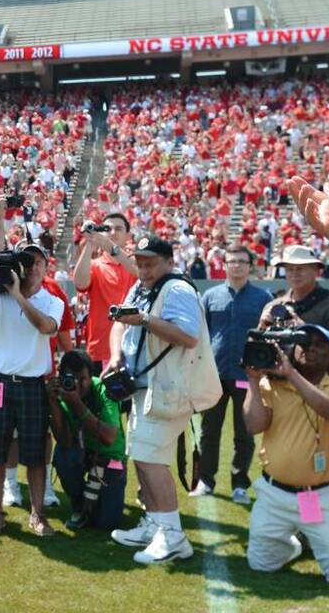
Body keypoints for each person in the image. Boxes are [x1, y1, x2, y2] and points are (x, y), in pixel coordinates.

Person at [242, 326, 329, 585]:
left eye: (319, 345)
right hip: (274, 494)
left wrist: (291, 375)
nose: (310, 348)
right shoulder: (271, 385)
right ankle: (297, 544)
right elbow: (254, 425)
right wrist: (252, 382)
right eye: (304, 342)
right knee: (261, 564)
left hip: (318, 496)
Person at [109, 236, 203, 565]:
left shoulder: (176, 289)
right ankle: (155, 524)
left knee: (151, 460)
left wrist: (146, 319)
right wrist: (115, 356)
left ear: (168, 261)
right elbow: (119, 323)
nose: (144, 269)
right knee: (141, 456)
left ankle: (173, 535)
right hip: (142, 386)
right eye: (141, 263)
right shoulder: (143, 287)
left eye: (150, 263)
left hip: (165, 388)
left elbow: (188, 336)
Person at [0, 244, 63, 537]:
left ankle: (38, 514)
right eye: (29, 261)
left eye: (39, 261)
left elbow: (46, 328)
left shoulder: (52, 301)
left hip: (31, 384)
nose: (34, 266)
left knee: (36, 454)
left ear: (47, 268)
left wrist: (17, 295)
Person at [194, 245, 273, 504]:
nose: (236, 265)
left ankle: (240, 484)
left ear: (250, 266)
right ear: (224, 265)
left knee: (245, 432)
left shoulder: (263, 298)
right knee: (209, 431)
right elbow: (200, 334)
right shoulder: (210, 296)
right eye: (231, 261)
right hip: (214, 373)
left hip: (247, 374)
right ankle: (206, 480)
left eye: (241, 261)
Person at [47, 349, 127, 530]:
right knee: (63, 456)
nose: (76, 384)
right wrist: (53, 404)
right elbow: (64, 442)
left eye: (82, 378)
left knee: (105, 523)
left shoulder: (104, 390)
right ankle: (80, 503)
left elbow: (109, 437)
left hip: (109, 458)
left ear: (92, 377)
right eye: (70, 377)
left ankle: (91, 503)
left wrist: (77, 405)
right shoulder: (61, 394)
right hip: (81, 453)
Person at [261, 245, 329, 377]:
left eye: (300, 268)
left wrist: (306, 331)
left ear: (315, 270)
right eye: (290, 269)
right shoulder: (274, 306)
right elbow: (256, 351)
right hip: (279, 385)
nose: (294, 273)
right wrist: (262, 328)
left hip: (320, 385)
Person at [72, 213, 138, 367]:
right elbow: (80, 284)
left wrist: (110, 247)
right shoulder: (95, 265)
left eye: (119, 229)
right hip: (100, 349)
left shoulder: (136, 262)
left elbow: (137, 270)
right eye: (108, 229)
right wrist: (90, 242)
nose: (113, 233)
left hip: (133, 347)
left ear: (128, 235)